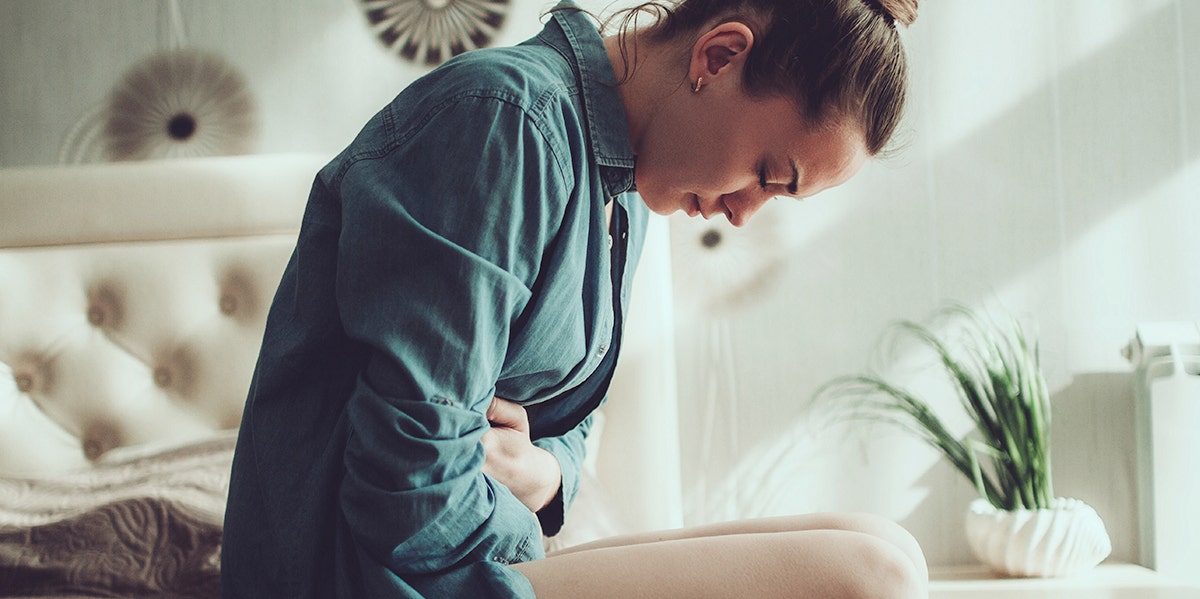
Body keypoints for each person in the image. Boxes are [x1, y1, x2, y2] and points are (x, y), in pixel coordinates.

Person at [221, 0, 927, 597]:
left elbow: (567, 412)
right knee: (873, 573)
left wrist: (548, 469)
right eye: (770, 174)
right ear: (717, 56)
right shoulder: (503, 122)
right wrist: (529, 520)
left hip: (464, 547)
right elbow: (404, 493)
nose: (746, 212)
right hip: (372, 571)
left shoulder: (626, 191)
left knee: (882, 538)